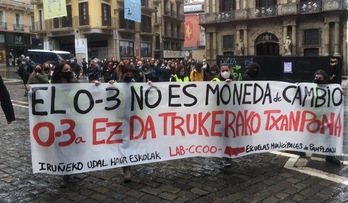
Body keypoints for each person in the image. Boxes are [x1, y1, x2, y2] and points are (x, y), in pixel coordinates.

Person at [312, 70, 342, 166]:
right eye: (316, 78)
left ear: (324, 80)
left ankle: (330, 156)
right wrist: (297, 86)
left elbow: (336, 98)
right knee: (306, 134)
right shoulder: (310, 87)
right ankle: (301, 149)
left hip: (325, 118)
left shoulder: (330, 89)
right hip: (312, 118)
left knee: (328, 137)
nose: (317, 79)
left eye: (320, 78)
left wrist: (340, 94)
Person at [211, 64, 233, 167]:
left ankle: (227, 155)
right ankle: (225, 157)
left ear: (230, 71)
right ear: (220, 71)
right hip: (219, 114)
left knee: (229, 136)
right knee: (224, 136)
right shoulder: (215, 81)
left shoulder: (235, 82)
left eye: (226, 70)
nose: (225, 72)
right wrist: (223, 86)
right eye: (223, 70)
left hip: (232, 114)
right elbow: (209, 93)